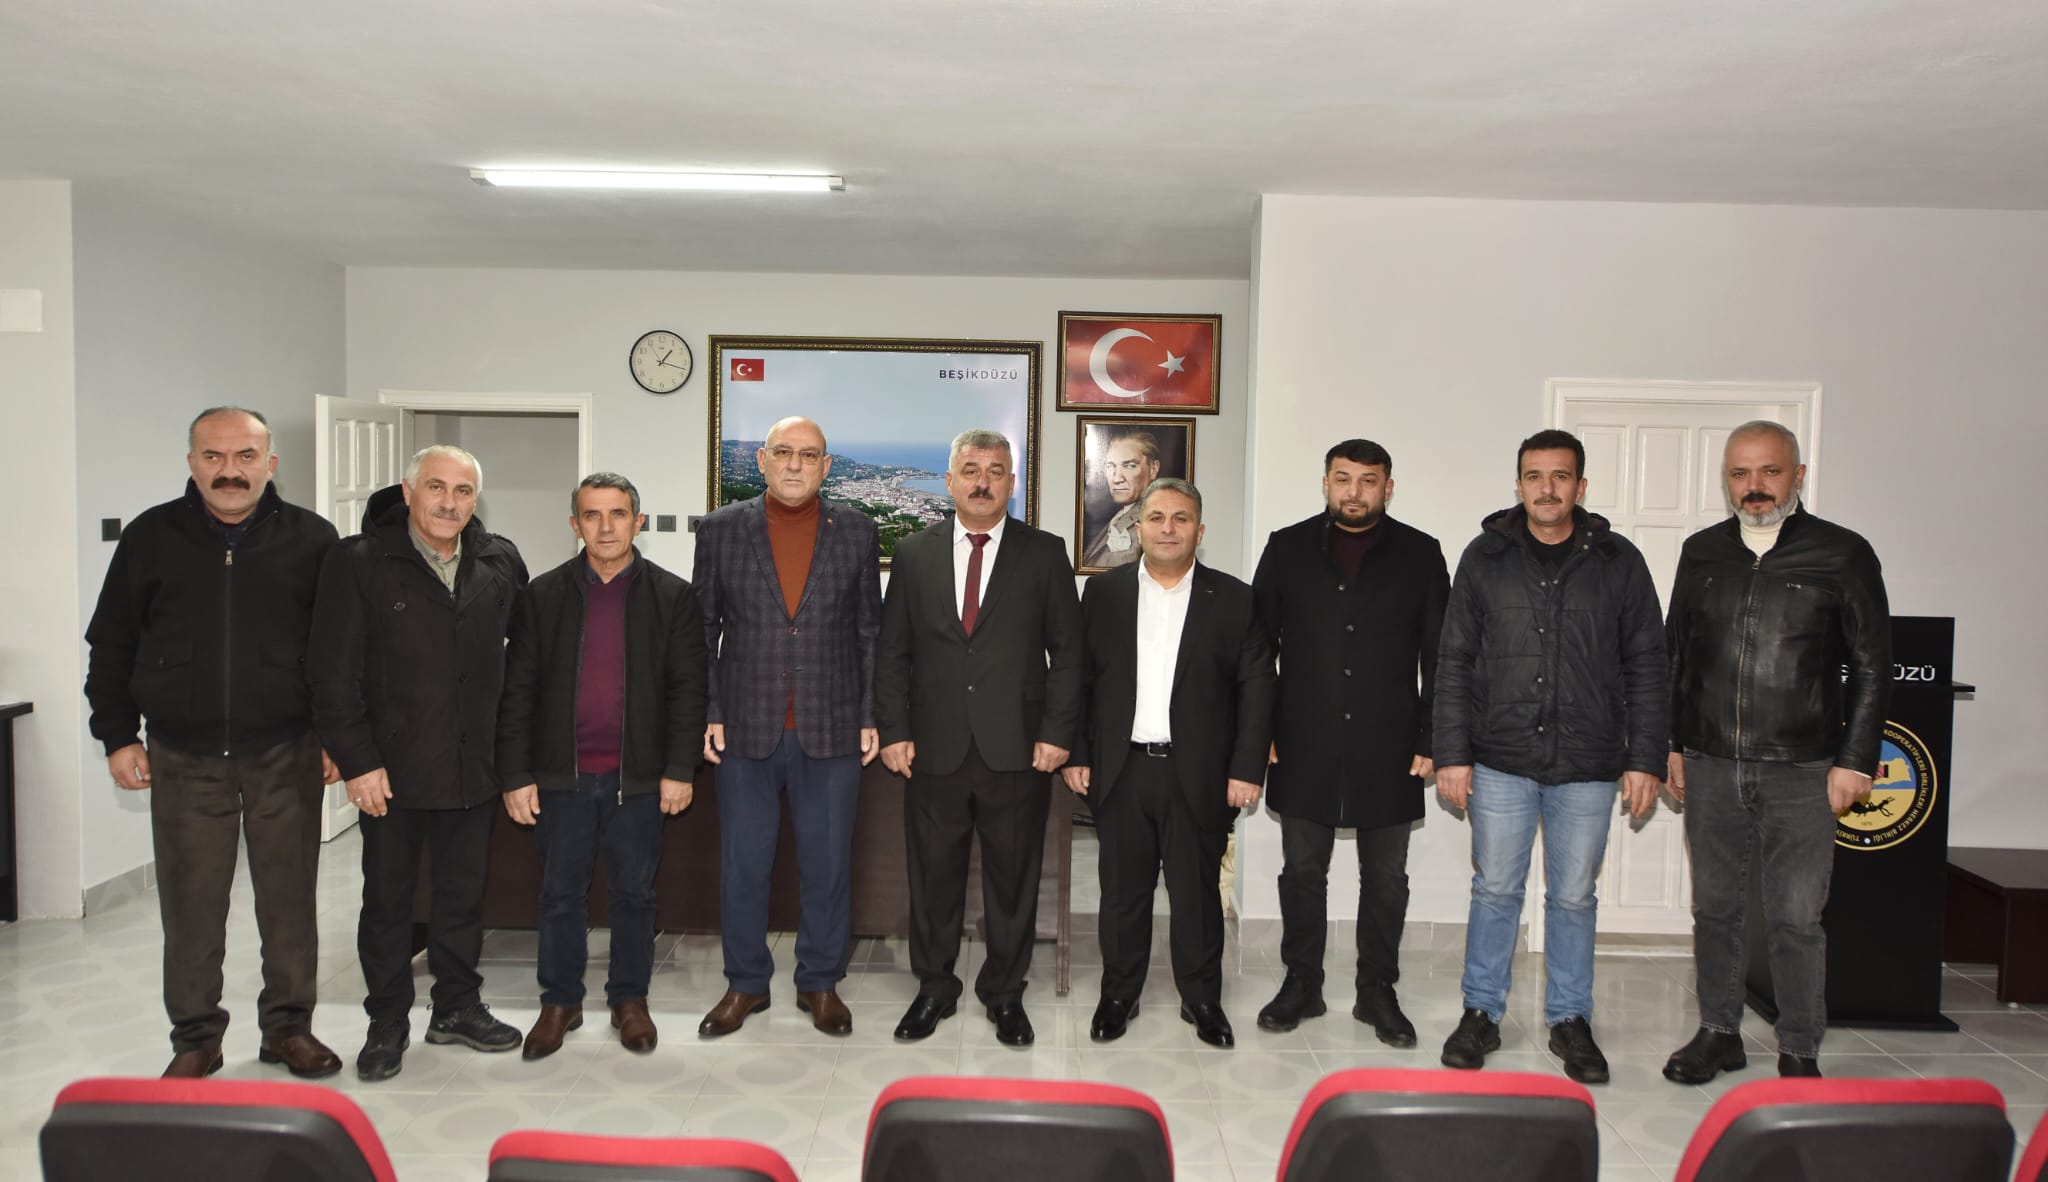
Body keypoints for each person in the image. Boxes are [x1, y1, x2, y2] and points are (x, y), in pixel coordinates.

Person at [84, 407, 342, 1079]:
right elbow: (111, 643)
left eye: (245, 456)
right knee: (191, 907)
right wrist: (117, 734)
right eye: (214, 456)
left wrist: (336, 737)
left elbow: (338, 651)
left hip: (287, 750)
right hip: (183, 755)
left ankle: (288, 1029)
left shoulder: (314, 540)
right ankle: (195, 1039)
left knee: (289, 904)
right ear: (192, 462)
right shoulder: (150, 538)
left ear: (270, 463)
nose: (230, 470)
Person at [1433, 428, 1668, 1085]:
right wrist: (1451, 752)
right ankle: (1481, 1013)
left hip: (1588, 763)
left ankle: (1570, 1019)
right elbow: (1455, 660)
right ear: (1518, 485)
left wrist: (1646, 757)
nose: (1547, 488)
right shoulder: (1485, 557)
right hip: (1500, 757)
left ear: (1580, 486)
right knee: (1495, 889)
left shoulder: (1619, 561)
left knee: (1572, 897)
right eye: (1534, 476)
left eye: (1560, 476)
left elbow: (1649, 663)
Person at [1661, 421, 1890, 1083]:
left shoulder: (1843, 554)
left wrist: (1856, 758)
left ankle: (1799, 1047)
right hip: (1710, 762)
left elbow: (1873, 665)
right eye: (1740, 473)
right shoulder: (1702, 552)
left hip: (1804, 768)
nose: (1754, 486)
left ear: (1798, 475)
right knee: (1715, 910)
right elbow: (1675, 656)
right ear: (1726, 480)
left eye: (1769, 471)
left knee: (1795, 916)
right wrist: (1670, 745)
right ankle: (1718, 1033)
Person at [310, 444, 529, 1081]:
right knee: (388, 902)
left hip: (473, 765)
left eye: (463, 491)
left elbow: (524, 660)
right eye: (436, 487)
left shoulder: (499, 559)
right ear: (408, 493)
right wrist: (358, 762)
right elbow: (331, 672)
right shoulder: (358, 561)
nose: (449, 503)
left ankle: (456, 1006)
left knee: (463, 898)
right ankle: (386, 1021)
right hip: (391, 770)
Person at [874, 429, 1083, 1047]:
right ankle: (934, 988)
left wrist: (1057, 732)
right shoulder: (913, 553)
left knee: (1012, 880)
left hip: (1018, 748)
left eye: (995, 471)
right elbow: (893, 651)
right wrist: (894, 730)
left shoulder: (1044, 553)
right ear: (949, 481)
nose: (982, 482)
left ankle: (1004, 993)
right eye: (970, 470)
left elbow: (1068, 653)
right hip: (932, 747)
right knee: (932, 876)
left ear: (1012, 484)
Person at [497, 473, 709, 1060]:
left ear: (638, 522)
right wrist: (515, 774)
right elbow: (518, 692)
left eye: (618, 514)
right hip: (560, 777)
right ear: (575, 524)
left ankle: (629, 1000)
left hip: (637, 780)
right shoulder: (542, 595)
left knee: (635, 894)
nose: (606, 526)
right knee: (559, 894)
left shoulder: (672, 596)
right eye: (592, 515)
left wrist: (680, 768)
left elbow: (689, 691)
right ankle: (559, 1002)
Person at [1064, 478, 1275, 1048]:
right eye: (1156, 517)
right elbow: (1080, 681)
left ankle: (1201, 998)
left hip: (1199, 772)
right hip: (1122, 769)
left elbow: (1258, 689)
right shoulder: (1104, 595)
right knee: (1121, 893)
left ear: (1199, 532)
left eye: (1181, 519)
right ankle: (1118, 994)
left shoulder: (1234, 599)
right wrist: (1077, 753)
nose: (1167, 528)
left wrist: (1246, 769)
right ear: (1138, 528)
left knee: (1196, 894)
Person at [1251, 438, 1448, 1045]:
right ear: (1326, 483)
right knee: (1302, 872)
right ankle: (1301, 984)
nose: (1354, 492)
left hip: (1391, 746)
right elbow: (1256, 649)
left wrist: (1432, 736)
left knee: (1386, 878)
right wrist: (1260, 732)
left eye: (1368, 480)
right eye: (1343, 479)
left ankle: (1376, 991)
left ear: (1388, 487)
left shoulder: (1421, 553)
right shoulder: (1287, 548)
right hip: (1301, 741)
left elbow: (1442, 656)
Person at [693, 416, 881, 1038]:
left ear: (826, 466)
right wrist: (710, 710)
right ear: (762, 461)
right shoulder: (721, 530)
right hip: (744, 728)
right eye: (783, 452)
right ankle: (745, 984)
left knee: (827, 868)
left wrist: (869, 715)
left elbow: (869, 633)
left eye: (808, 454)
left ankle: (819, 982)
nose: (795, 464)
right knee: (743, 867)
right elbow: (702, 631)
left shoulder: (857, 530)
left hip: (832, 727)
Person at [1081, 430, 1162, 569]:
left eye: (1130, 466)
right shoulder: (1120, 515)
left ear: (1153, 469)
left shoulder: (1156, 521)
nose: (1116, 478)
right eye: (1110, 466)